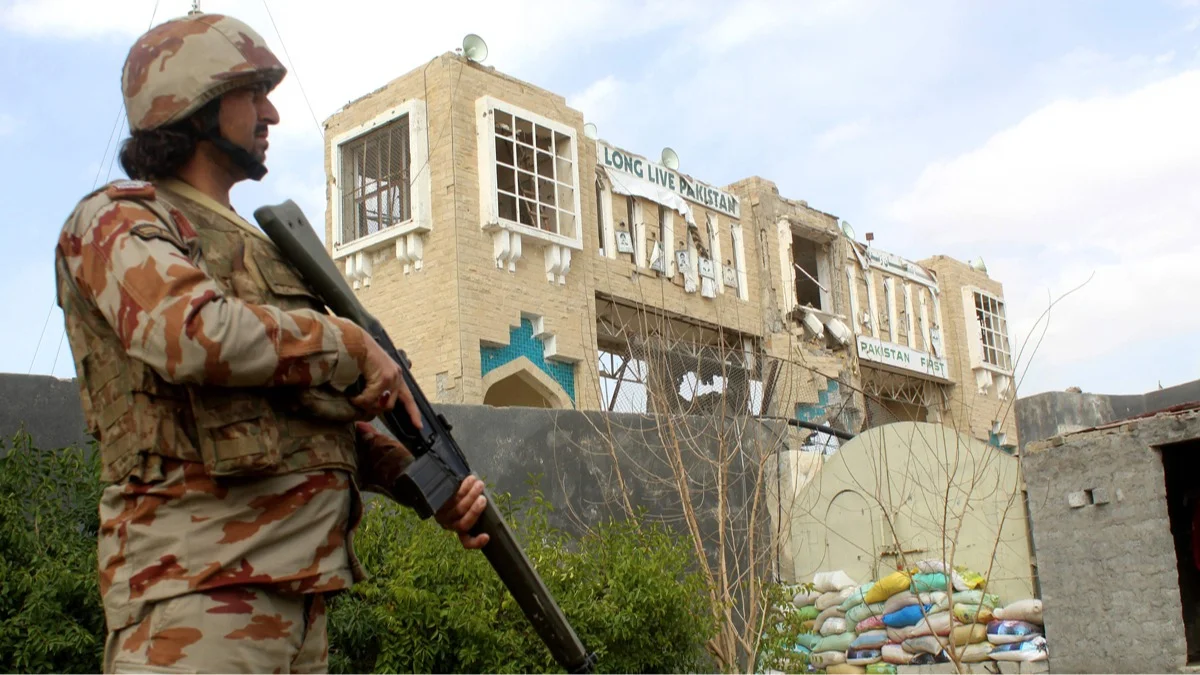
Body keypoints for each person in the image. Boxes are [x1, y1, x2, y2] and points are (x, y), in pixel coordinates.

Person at [53, 11, 488, 674]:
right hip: (195, 604)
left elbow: (309, 425)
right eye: (252, 93)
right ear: (193, 103)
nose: (272, 114)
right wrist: (347, 343)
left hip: (300, 609)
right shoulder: (118, 220)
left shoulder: (265, 250)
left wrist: (428, 486)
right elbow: (191, 333)